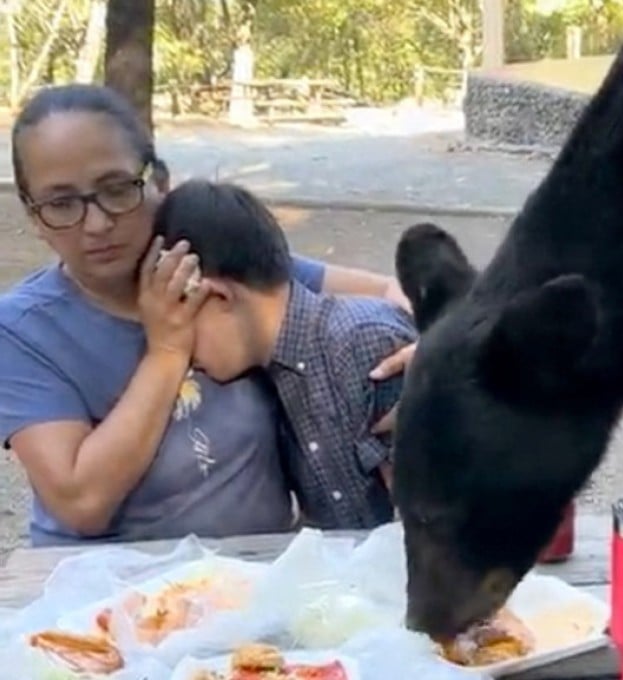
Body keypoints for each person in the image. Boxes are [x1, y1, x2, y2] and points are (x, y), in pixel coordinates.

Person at [0, 83, 414, 546]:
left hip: (259, 576)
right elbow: (81, 504)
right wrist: (167, 352)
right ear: (34, 216)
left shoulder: (210, 262)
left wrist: (437, 348)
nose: (96, 224)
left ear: (159, 182)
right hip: (108, 593)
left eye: (116, 190)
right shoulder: (22, 330)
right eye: (61, 203)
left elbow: (389, 289)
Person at [152, 179, 417, 528]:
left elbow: (436, 518)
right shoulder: (272, 374)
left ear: (216, 296)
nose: (182, 352)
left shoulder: (365, 344)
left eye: (178, 323)